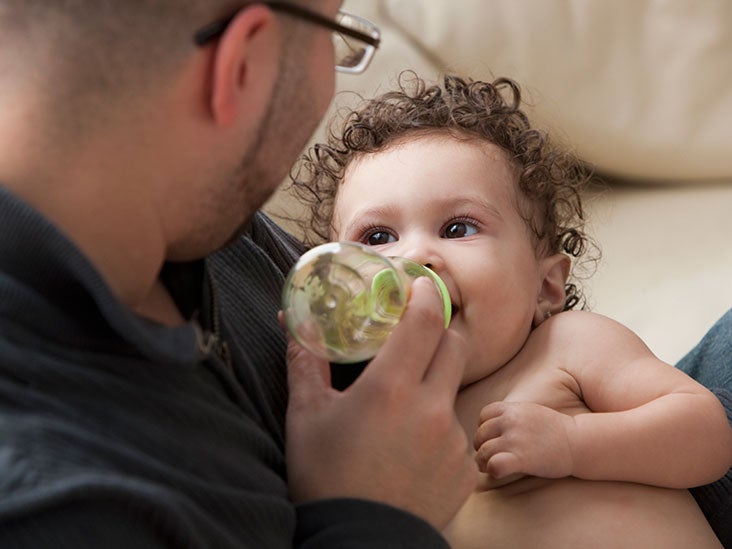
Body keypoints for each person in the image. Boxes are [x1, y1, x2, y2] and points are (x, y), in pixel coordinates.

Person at [0, 2, 477, 547]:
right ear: (242, 64)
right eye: (333, 31)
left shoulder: (198, 216)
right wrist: (375, 517)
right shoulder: (60, 508)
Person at [286, 72, 732, 547]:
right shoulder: (360, 420)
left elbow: (706, 435)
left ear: (545, 286)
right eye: (377, 238)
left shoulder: (568, 347)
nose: (414, 257)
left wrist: (573, 442)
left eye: (457, 228)